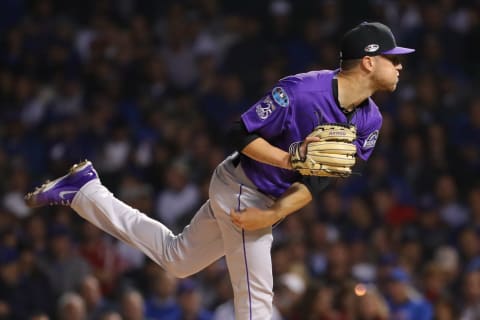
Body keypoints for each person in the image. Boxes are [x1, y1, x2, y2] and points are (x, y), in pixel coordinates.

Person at [24, 22, 414, 320]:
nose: (399, 65)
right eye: (392, 58)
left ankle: (86, 192)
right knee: (256, 301)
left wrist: (275, 212)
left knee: (178, 260)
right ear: (368, 60)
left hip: (267, 199)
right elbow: (238, 131)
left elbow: (323, 178)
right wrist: (287, 159)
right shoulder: (301, 91)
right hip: (241, 185)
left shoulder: (371, 120)